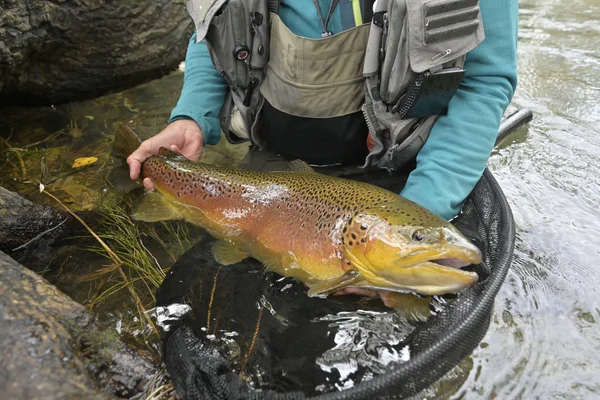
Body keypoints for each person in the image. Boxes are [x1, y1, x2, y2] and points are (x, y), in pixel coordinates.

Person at [127, 0, 518, 222]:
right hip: (271, 165)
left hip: (403, 178)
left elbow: (482, 82)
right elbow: (212, 30)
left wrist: (416, 216)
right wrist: (191, 116)